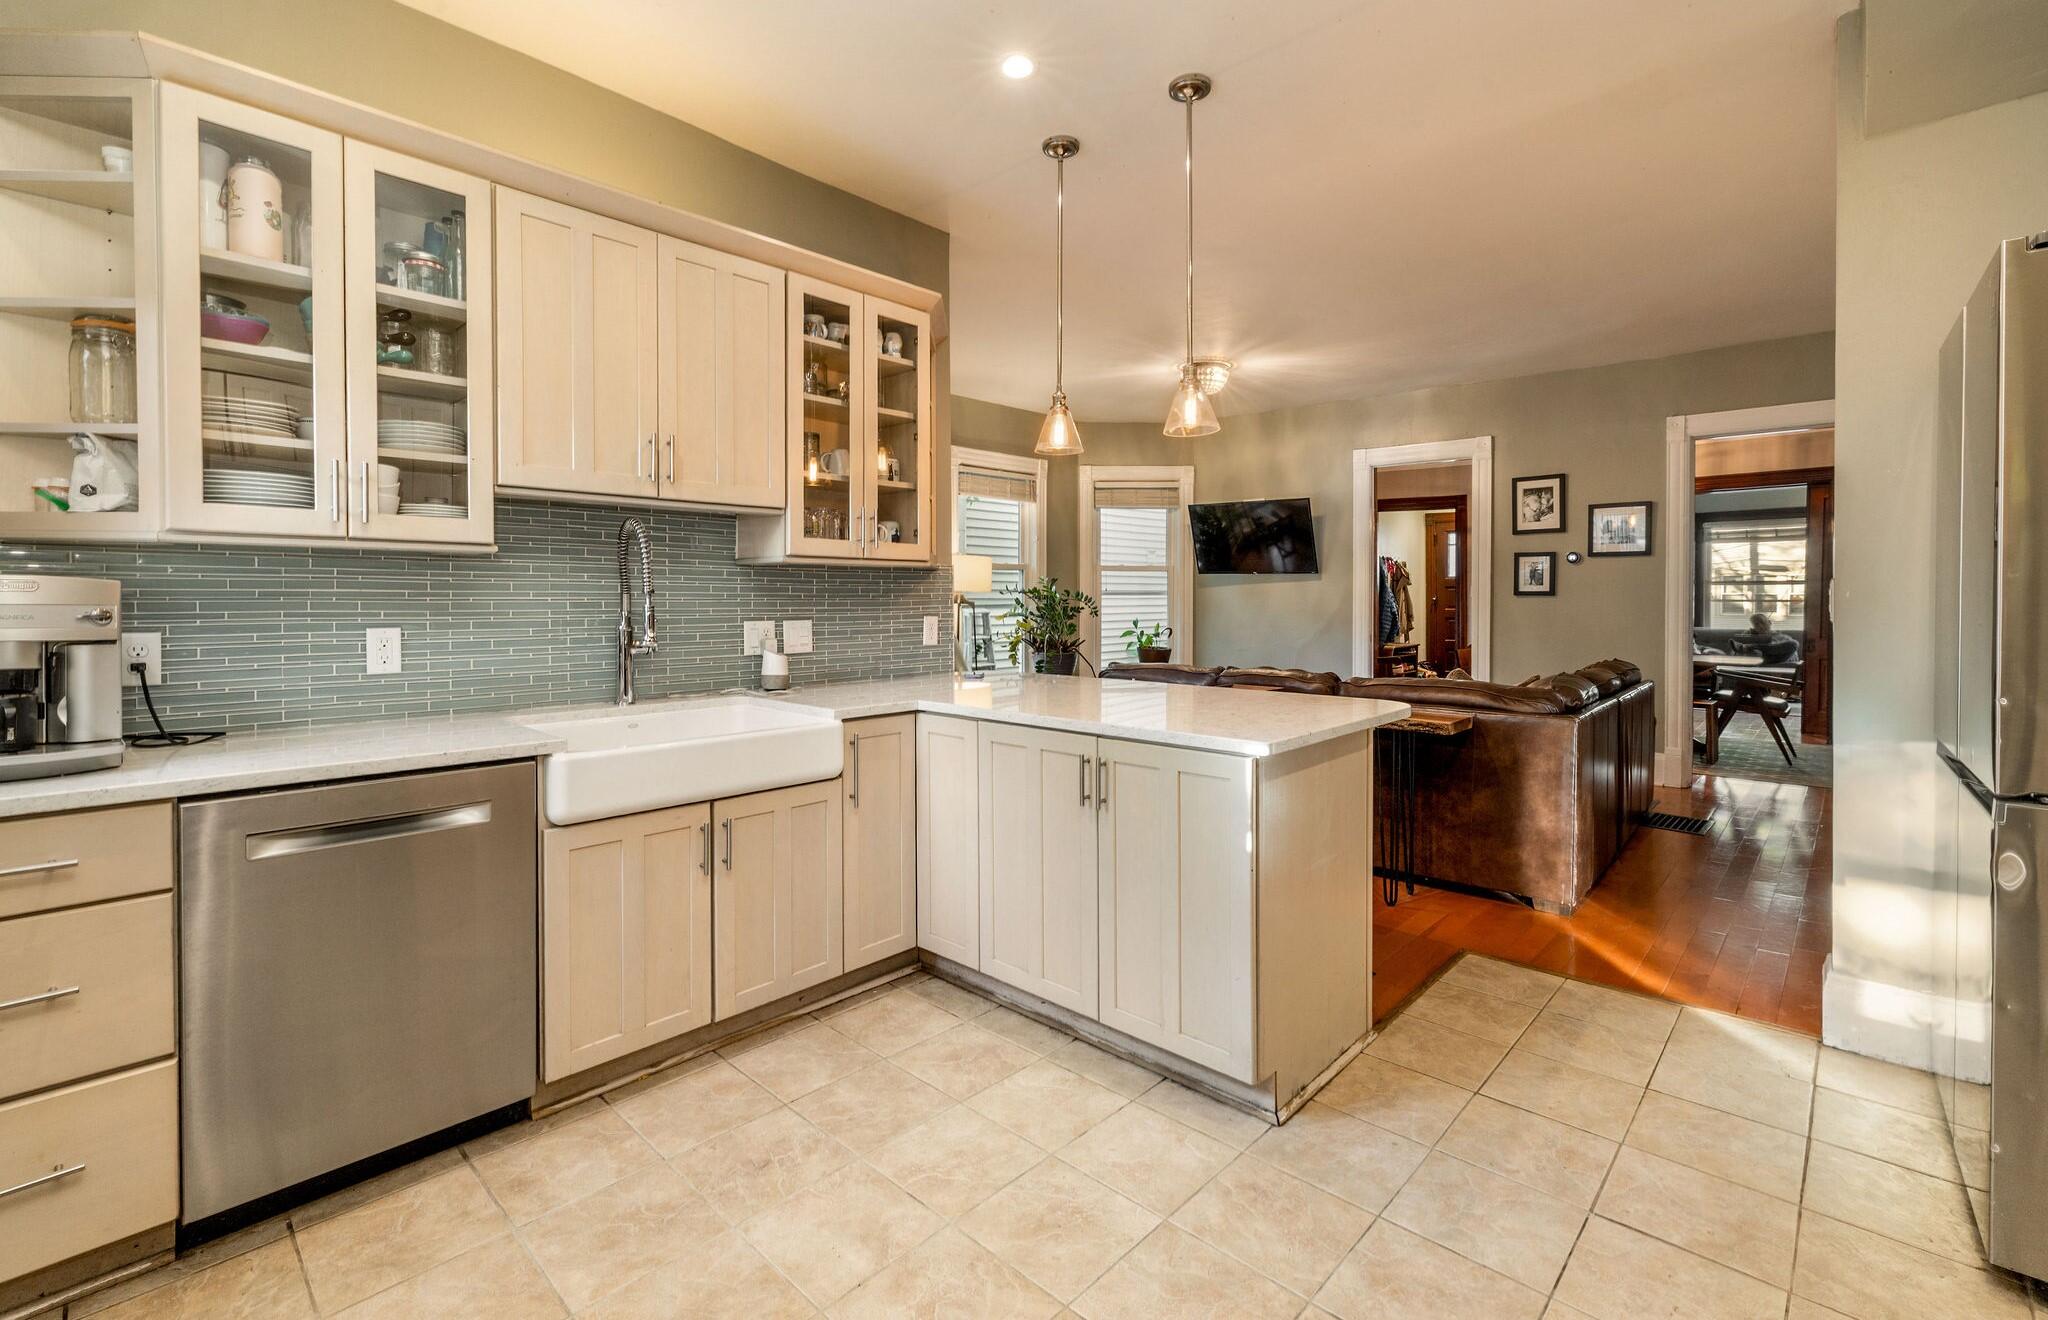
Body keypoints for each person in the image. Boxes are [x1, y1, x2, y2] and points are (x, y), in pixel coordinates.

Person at [1734, 612, 1799, 665]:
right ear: (1753, 627)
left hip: (1777, 661)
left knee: (1794, 644)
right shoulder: (1749, 636)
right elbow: (1735, 652)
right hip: (1757, 660)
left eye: (1762, 622)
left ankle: (1753, 647)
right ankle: (1754, 649)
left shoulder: (1782, 636)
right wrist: (1748, 635)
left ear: (1769, 623)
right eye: (1756, 624)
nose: (1760, 626)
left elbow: (1793, 656)